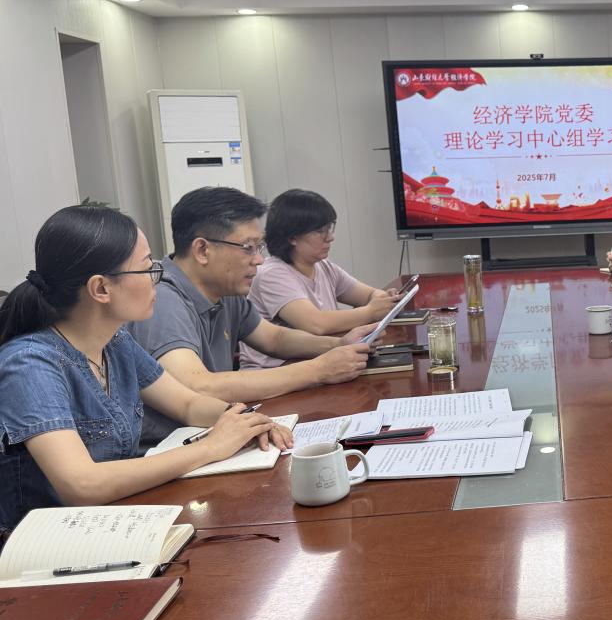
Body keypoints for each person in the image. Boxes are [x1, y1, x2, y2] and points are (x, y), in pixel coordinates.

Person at [0, 206, 291, 531]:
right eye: (147, 268)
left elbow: (187, 403)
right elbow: (82, 484)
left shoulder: (115, 342)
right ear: (101, 289)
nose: (158, 278)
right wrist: (211, 446)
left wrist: (243, 420)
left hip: (115, 519)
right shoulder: (30, 364)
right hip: (48, 542)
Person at [128, 187, 374, 444]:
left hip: (217, 431)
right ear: (202, 250)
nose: (259, 260)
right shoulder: (163, 298)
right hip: (173, 445)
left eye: (259, 247)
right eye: (248, 248)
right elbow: (198, 385)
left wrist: (338, 344)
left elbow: (274, 338)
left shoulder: (225, 289)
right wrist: (318, 370)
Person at [240, 189, 400, 369]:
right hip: (275, 371)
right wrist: (371, 311)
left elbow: (369, 294)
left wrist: (382, 299)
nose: (330, 237)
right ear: (292, 237)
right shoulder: (272, 274)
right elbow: (316, 324)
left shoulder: (323, 266)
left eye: (329, 228)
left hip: (317, 363)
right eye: (320, 231)